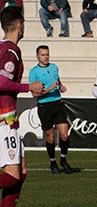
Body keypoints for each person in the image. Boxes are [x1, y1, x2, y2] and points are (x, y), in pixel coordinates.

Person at [0, 6, 45, 207]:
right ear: (19, 25)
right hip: (3, 121)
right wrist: (29, 88)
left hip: (9, 120)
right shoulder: (11, 51)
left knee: (22, 171)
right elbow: (1, 82)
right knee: (13, 175)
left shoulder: (4, 48)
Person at [29, 45, 77, 174]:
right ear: (37, 56)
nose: (46, 57)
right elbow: (34, 94)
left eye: (47, 54)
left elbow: (57, 80)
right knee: (50, 138)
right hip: (44, 106)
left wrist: (61, 86)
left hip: (57, 103)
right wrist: (50, 89)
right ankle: (52, 162)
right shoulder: (34, 72)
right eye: (43, 55)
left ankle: (63, 159)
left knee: (64, 135)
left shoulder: (54, 67)